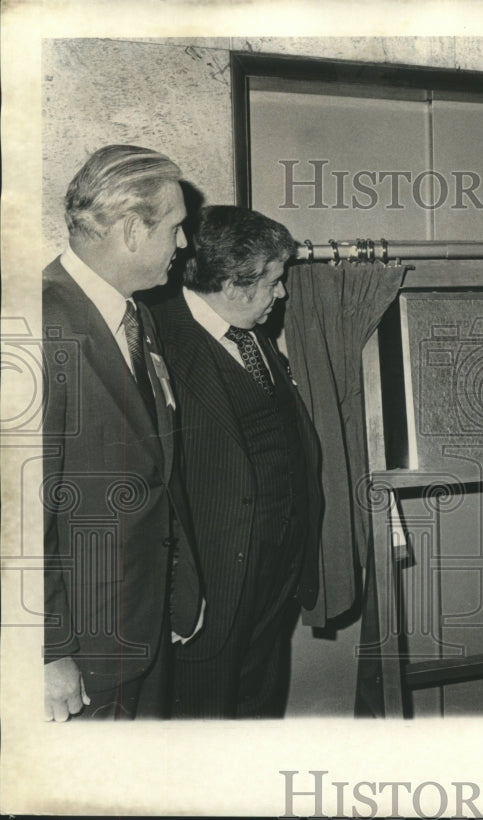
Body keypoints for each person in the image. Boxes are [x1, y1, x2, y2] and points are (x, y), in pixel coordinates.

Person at [42, 144, 203, 720]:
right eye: (176, 228)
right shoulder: (39, 322)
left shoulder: (138, 317)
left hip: (143, 625)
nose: (183, 244)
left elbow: (157, 470)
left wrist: (180, 593)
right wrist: (47, 652)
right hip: (83, 654)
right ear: (134, 230)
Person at [150, 205, 322, 718]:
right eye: (273, 281)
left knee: (258, 707)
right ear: (232, 284)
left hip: (276, 569)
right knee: (204, 722)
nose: (283, 293)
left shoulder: (252, 333)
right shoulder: (157, 339)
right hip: (212, 584)